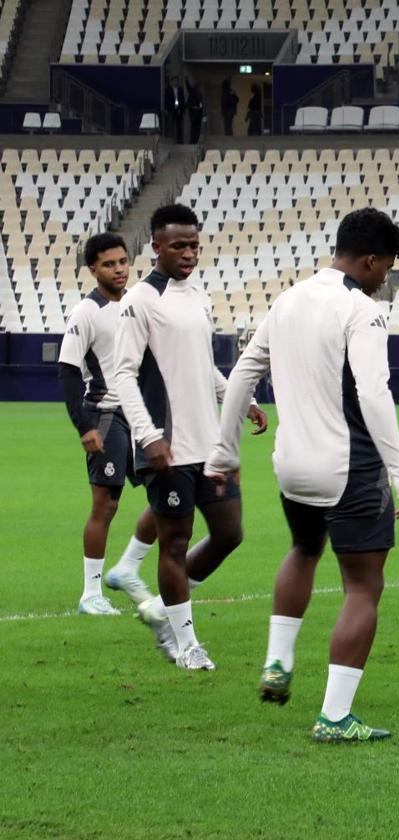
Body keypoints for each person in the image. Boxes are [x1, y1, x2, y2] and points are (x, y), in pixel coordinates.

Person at [206, 208, 399, 743]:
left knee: (304, 550)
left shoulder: (288, 299)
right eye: (386, 268)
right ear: (370, 260)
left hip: (290, 465)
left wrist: (222, 452)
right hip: (347, 465)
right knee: (363, 586)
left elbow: (242, 376)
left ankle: (278, 663)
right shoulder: (360, 309)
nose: (385, 279)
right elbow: (373, 394)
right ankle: (334, 716)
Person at [111, 204, 268, 671]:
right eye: (178, 245)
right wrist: (148, 436)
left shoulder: (198, 296)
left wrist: (239, 399)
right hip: (168, 443)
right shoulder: (140, 300)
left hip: (212, 442)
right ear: (155, 246)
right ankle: (185, 643)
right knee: (174, 543)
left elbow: (201, 365)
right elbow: (122, 375)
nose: (188, 253)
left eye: (194, 245)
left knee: (229, 533)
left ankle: (163, 608)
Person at [58, 233, 165, 637]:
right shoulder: (86, 312)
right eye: (109, 264)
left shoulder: (141, 301)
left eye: (123, 262)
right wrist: (84, 427)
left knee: (170, 489)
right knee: (106, 505)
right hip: (105, 414)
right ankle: (90, 594)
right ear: (93, 270)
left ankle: (127, 568)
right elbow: (67, 370)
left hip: (143, 413)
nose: (120, 269)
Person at [165, 77, 186, 144]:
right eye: (174, 81)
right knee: (171, 126)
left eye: (177, 81)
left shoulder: (180, 89)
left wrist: (181, 109)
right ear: (172, 82)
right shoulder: (168, 90)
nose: (176, 82)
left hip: (179, 110)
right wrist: (166, 109)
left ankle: (179, 141)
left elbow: (182, 100)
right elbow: (166, 100)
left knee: (179, 127)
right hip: (171, 109)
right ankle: (171, 140)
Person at [186, 79, 204, 144]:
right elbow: (188, 87)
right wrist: (186, 80)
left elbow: (201, 103)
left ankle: (195, 140)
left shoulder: (199, 93)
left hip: (198, 112)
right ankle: (193, 140)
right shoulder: (193, 91)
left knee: (197, 127)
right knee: (194, 127)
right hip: (194, 111)